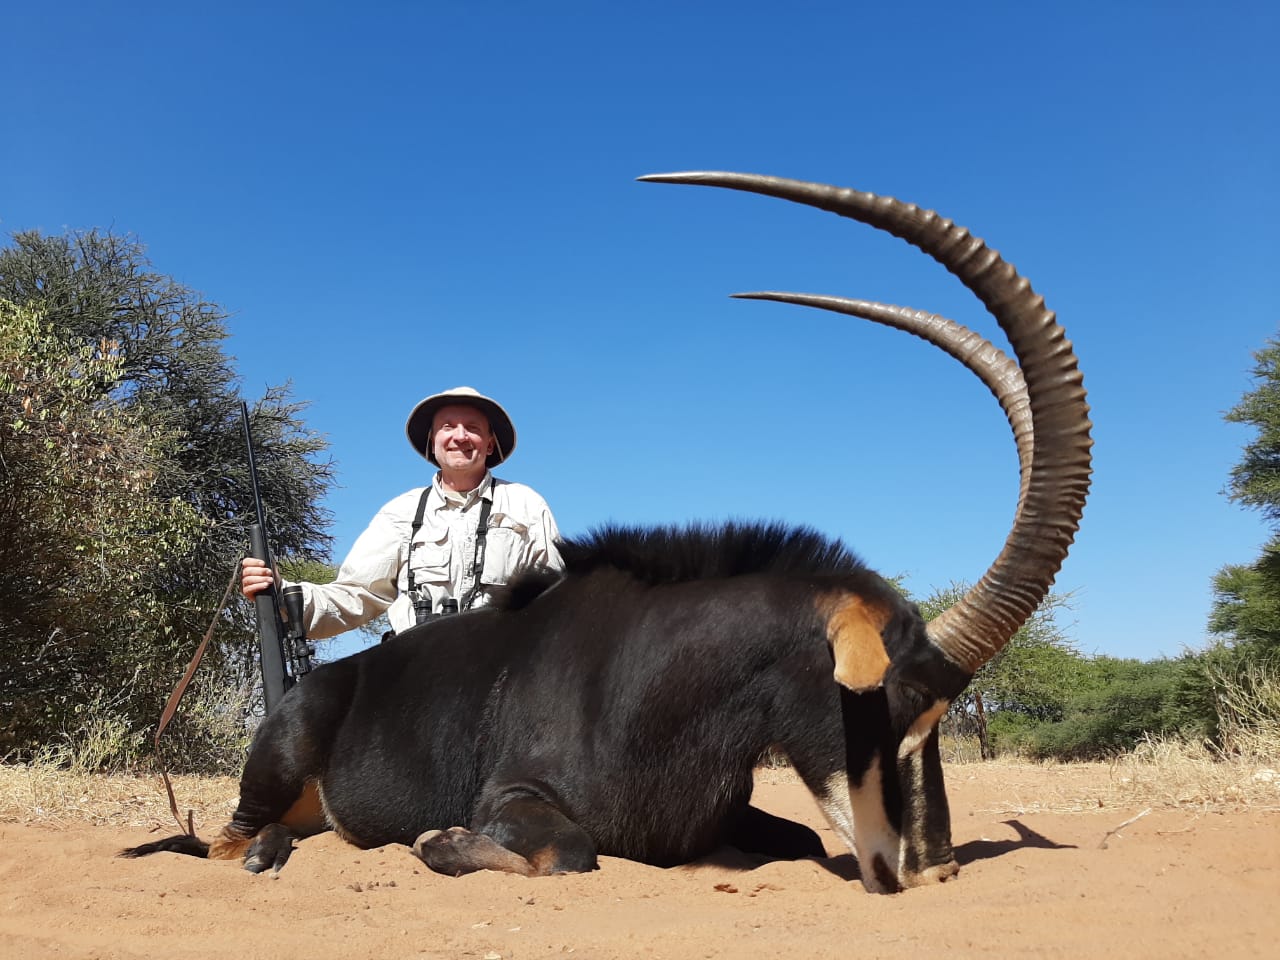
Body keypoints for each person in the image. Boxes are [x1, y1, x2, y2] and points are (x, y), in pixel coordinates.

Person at [241, 386, 562, 640]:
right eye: (448, 427)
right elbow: (354, 596)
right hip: (415, 675)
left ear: (489, 444)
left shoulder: (526, 505)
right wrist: (280, 592)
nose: (460, 436)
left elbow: (556, 599)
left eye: (473, 428)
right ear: (433, 442)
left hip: (500, 676)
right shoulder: (400, 512)